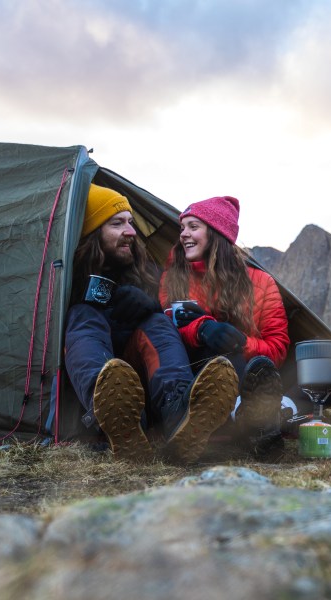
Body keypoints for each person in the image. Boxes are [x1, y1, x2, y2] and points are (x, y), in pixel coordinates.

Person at [64, 183, 238, 464]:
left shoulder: (147, 271)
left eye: (131, 223)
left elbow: (177, 315)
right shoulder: (65, 279)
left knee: (157, 321)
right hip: (96, 374)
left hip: (145, 383)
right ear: (93, 231)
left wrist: (151, 305)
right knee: (82, 316)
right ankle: (112, 415)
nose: (131, 232)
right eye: (117, 223)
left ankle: (179, 414)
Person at [159, 195, 290, 453]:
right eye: (182, 227)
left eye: (193, 227)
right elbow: (164, 326)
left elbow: (279, 347)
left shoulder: (262, 283)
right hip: (192, 370)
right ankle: (251, 422)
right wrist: (203, 329)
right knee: (212, 354)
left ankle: (251, 419)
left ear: (217, 233)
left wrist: (242, 342)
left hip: (242, 369)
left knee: (240, 359)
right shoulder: (172, 278)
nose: (183, 234)